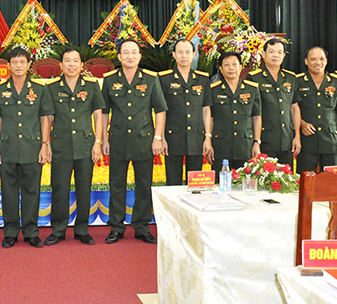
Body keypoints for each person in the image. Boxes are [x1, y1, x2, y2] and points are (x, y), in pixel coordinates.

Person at [101, 39, 167, 244]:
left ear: (140, 56)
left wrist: (158, 137)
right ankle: (116, 227)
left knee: (143, 185)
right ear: (119, 56)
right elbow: (104, 112)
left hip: (143, 140)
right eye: (125, 52)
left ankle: (141, 226)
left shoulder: (150, 79)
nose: (130, 56)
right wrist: (103, 138)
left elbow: (160, 110)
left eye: (134, 52)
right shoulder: (110, 80)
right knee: (116, 185)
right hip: (118, 140)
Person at [0, 47, 52, 248]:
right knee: (8, 192)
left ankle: (31, 232)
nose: (18, 66)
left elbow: (45, 118)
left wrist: (44, 145)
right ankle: (10, 232)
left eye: (22, 62)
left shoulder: (40, 90)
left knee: (32, 191)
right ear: (8, 65)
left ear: (29, 65)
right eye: (14, 62)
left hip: (31, 147)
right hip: (7, 148)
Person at [44, 47, 105, 246]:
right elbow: (47, 118)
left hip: (85, 145)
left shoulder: (91, 86)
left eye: (75, 61)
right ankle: (58, 230)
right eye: (67, 61)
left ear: (81, 65)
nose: (71, 65)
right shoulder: (52, 88)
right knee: (59, 188)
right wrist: (46, 144)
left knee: (84, 188)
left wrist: (98, 142)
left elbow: (98, 115)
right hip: (60, 145)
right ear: (61, 65)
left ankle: (82, 229)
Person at [158, 38, 212, 185]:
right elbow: (161, 111)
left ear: (194, 54)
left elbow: (206, 109)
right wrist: (161, 137)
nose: (184, 56)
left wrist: (207, 137)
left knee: (195, 184)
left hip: (196, 138)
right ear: (174, 55)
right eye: (180, 52)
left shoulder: (202, 79)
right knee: (173, 183)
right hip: (172, 137)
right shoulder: (164, 79)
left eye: (187, 52)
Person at [292, 46, 337, 172]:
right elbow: (292, 108)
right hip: (307, 141)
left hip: (331, 140)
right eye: (313, 59)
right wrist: (302, 123)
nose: (318, 62)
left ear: (326, 61)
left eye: (321, 59)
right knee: (306, 178)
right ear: (306, 61)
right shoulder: (297, 82)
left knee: (332, 179)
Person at [246, 38, 298, 167]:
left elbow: (294, 107)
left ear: (284, 55)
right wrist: (255, 141)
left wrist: (297, 135)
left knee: (287, 176)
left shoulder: (290, 78)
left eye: (280, 52)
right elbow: (250, 112)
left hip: (286, 139)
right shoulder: (254, 78)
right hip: (265, 139)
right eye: (271, 52)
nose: (276, 55)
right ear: (263, 54)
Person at [208, 52, 262, 169]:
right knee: (220, 179)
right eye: (226, 65)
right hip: (221, 146)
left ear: (240, 67)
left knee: (246, 178)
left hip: (245, 146)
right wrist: (208, 141)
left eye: (234, 64)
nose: (231, 68)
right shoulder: (213, 90)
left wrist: (256, 142)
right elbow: (210, 118)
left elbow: (257, 116)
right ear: (221, 69)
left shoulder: (252, 89)